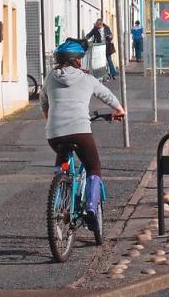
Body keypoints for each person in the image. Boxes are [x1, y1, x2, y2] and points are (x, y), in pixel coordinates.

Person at [41, 38, 126, 231]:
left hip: (54, 134)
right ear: (77, 60)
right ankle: (90, 209)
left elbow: (43, 103)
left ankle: (59, 193)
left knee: (62, 164)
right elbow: (105, 94)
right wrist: (119, 109)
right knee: (93, 167)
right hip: (80, 132)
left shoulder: (50, 78)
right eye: (80, 58)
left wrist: (50, 121)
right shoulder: (87, 78)